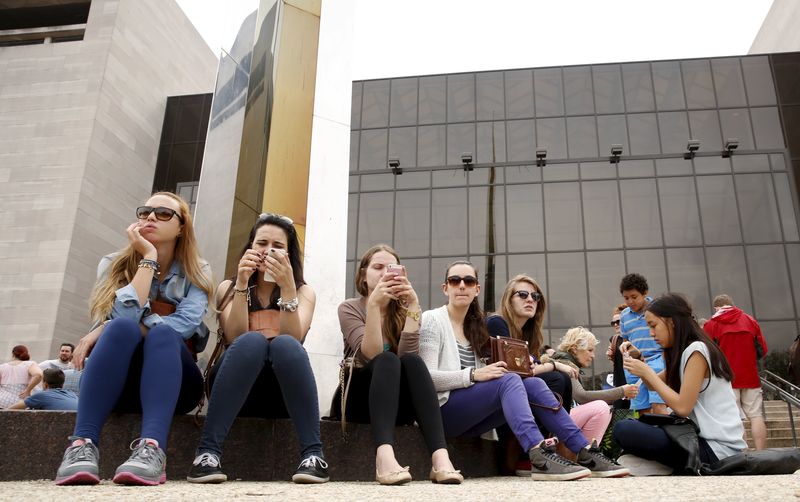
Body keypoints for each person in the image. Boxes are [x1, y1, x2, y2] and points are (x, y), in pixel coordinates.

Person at [54, 192, 213, 486]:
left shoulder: (197, 270)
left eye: (164, 214)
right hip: (118, 383)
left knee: (161, 332)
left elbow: (185, 325)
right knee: (120, 329)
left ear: (182, 227)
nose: (151, 217)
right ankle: (81, 446)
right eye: (145, 212)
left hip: (175, 384)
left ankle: (152, 448)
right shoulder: (112, 263)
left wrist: (101, 329)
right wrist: (148, 259)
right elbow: (123, 322)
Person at [419, 260, 629, 480]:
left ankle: (585, 451)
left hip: (472, 417)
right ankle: (538, 454)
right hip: (442, 412)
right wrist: (473, 374)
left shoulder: (476, 328)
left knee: (534, 383)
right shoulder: (433, 320)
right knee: (510, 380)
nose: (462, 285)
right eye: (455, 280)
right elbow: (426, 380)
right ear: (446, 288)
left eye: (468, 281)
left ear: (476, 289)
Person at [187, 213, 329, 484]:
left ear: (289, 254)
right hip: (234, 383)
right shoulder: (228, 286)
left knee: (285, 344)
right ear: (250, 246)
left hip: (282, 392)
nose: (268, 251)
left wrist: (287, 288)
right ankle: (206, 454)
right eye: (262, 243)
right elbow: (235, 335)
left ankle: (313, 455)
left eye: (278, 246)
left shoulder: (303, 292)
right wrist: (242, 284)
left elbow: (294, 338)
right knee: (251, 340)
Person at [335, 244, 462, 485]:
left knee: (412, 361)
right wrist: (374, 305)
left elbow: (408, 358)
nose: (384, 273)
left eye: (390, 268)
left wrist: (413, 307)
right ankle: (383, 458)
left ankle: (440, 457)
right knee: (386, 359)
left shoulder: (405, 311)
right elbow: (369, 355)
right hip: (358, 398)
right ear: (363, 275)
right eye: (377, 267)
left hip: (395, 403)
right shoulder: (349, 308)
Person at [613, 293, 747, 475]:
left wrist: (646, 372)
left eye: (653, 326)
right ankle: (665, 465)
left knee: (624, 429)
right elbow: (653, 384)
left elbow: (683, 407)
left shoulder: (697, 351)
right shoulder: (685, 351)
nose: (651, 333)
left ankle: (666, 465)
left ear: (672, 322)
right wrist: (640, 360)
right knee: (628, 429)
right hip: (695, 440)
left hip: (716, 449)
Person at [545, 327, 638, 446]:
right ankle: (589, 454)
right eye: (590, 350)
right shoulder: (565, 364)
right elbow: (581, 397)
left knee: (602, 407)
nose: (593, 355)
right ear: (574, 349)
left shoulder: (564, 361)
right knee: (600, 408)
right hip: (553, 425)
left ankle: (587, 453)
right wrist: (622, 391)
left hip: (554, 421)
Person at [703, 294, 768, 450]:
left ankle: (743, 453)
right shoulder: (750, 321)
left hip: (726, 379)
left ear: (716, 308)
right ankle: (761, 453)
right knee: (756, 415)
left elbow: (706, 353)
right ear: (732, 304)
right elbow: (763, 349)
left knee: (735, 419)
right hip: (750, 377)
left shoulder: (712, 324)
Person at [617, 273, 667, 414]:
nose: (630, 302)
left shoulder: (658, 310)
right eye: (626, 298)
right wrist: (625, 347)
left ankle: (665, 434)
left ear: (644, 293)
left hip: (656, 361)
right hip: (635, 363)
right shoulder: (624, 316)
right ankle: (647, 434)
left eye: (634, 297)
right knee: (640, 408)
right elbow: (625, 338)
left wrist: (665, 358)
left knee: (658, 405)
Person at [8, 368, 78, 411]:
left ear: (45, 384)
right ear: (62, 384)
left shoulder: (42, 395)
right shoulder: (71, 394)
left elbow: (8, 410)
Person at [606, 303, 630, 410]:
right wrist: (611, 356)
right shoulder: (614, 340)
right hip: (620, 384)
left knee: (638, 414)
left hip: (634, 383)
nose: (616, 325)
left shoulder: (633, 338)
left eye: (618, 321)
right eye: (613, 323)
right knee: (620, 414)